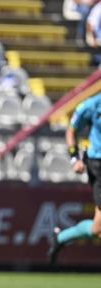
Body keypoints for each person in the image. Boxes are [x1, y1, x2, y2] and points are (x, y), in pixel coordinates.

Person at [48, 92, 101, 264]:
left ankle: (62, 237)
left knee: (97, 229)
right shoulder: (92, 104)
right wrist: (75, 158)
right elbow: (71, 130)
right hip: (98, 164)